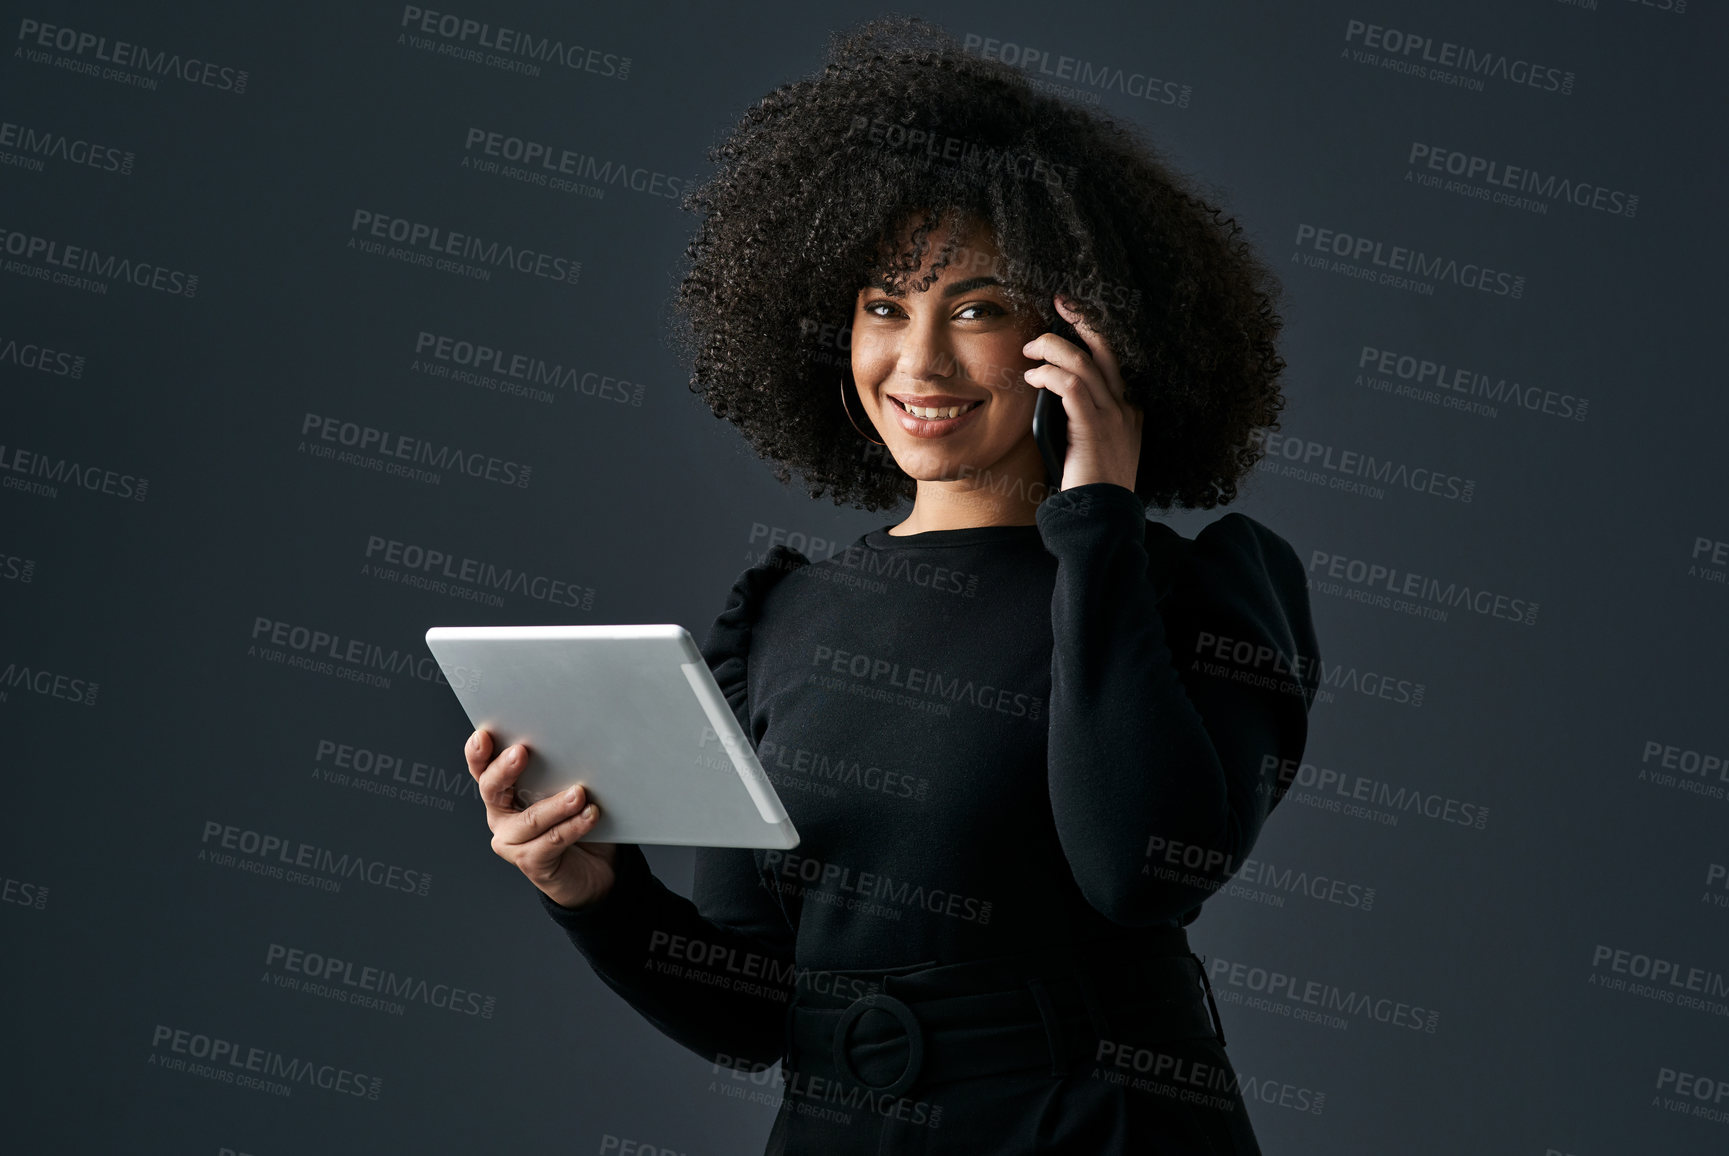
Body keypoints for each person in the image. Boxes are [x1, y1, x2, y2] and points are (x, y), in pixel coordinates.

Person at [464, 15, 1321, 1154]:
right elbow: (751, 1010)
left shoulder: (1199, 593)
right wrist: (593, 892)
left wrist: (1098, 516)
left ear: (1083, 330)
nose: (916, 362)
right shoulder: (778, 620)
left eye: (975, 308)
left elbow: (1138, 872)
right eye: (882, 306)